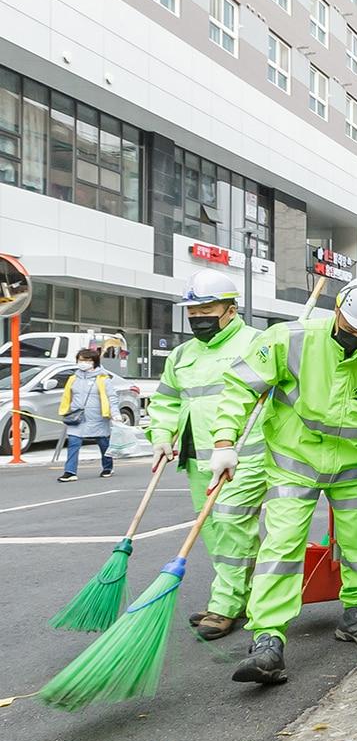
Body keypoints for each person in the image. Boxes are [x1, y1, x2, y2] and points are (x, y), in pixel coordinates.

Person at [210, 277, 357, 684]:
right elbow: (239, 389)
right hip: (294, 461)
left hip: (353, 469)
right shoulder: (290, 339)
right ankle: (268, 638)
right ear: (337, 311)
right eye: (351, 330)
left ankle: (356, 613)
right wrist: (224, 441)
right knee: (282, 546)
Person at [148, 271, 269, 640]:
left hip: (246, 454)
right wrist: (161, 434)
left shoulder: (257, 344)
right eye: (192, 309)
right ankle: (245, 595)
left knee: (233, 524)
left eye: (207, 307)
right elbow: (167, 400)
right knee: (215, 530)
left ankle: (225, 604)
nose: (198, 315)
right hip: (197, 456)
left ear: (231, 309)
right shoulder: (183, 354)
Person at [56, 348, 114, 482]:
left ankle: (108, 466)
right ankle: (70, 472)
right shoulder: (73, 379)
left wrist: (115, 414)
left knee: (103, 443)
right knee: (73, 442)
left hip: (98, 418)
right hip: (78, 417)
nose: (83, 363)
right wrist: (66, 411)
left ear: (95, 362)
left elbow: (112, 398)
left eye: (87, 360)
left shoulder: (103, 379)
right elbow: (67, 397)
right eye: (81, 360)